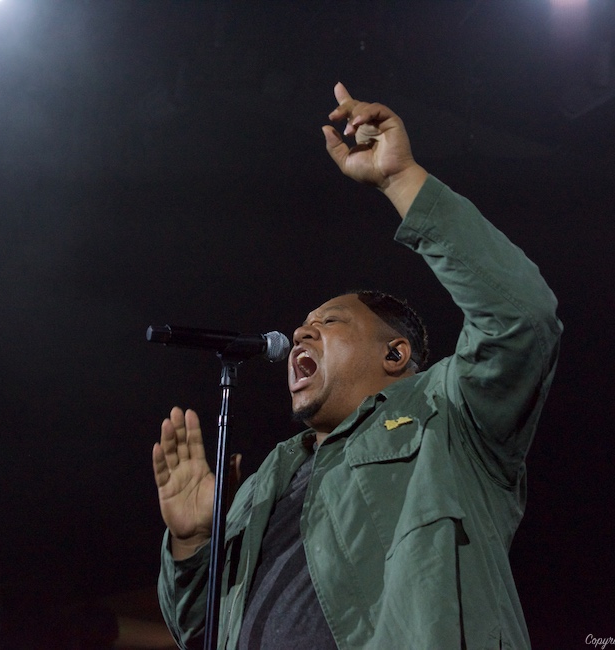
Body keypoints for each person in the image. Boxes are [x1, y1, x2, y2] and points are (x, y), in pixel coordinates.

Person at [153, 82, 562, 649]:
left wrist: (400, 180)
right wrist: (193, 543)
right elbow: (195, 629)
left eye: (329, 323)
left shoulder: (447, 418)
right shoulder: (263, 481)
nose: (301, 331)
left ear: (395, 354)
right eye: (303, 326)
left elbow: (522, 316)